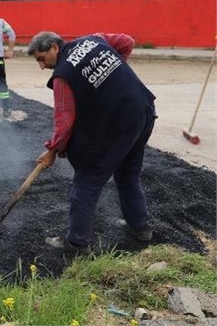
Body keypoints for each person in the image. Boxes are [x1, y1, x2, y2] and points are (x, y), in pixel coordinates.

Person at [27, 31, 157, 253]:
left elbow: (64, 121)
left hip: (119, 124)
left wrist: (51, 150)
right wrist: (108, 81)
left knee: (87, 180)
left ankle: (76, 243)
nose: (42, 66)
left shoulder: (63, 75)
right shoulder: (94, 39)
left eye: (41, 58)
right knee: (127, 174)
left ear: (54, 48)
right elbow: (127, 42)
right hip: (141, 112)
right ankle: (140, 227)